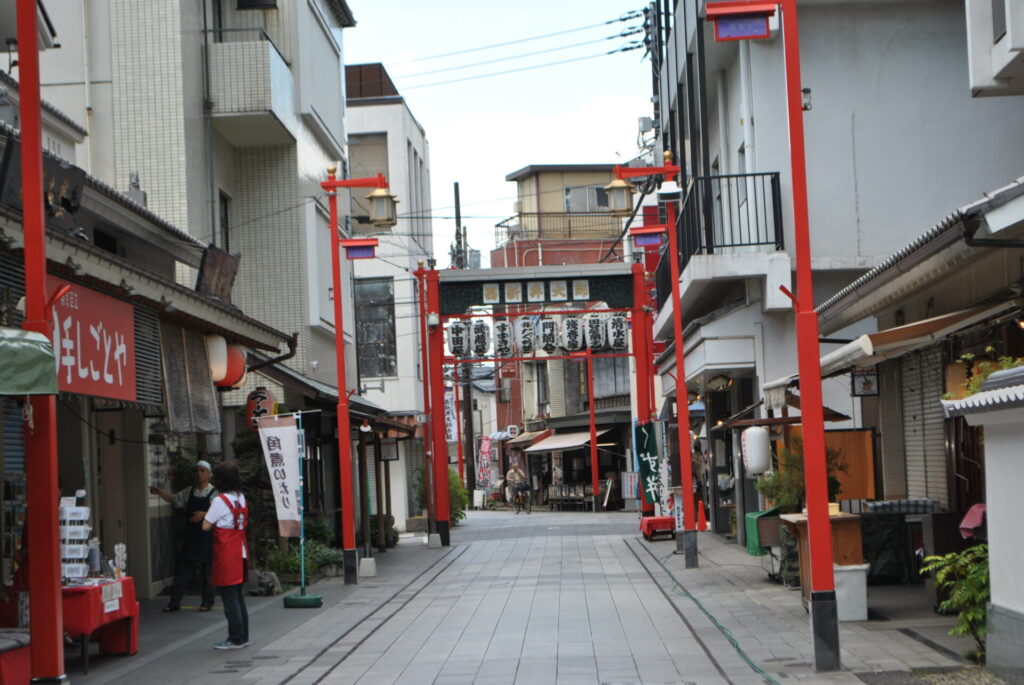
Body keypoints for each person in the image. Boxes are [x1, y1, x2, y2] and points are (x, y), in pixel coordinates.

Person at [150, 461, 216, 612]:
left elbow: (220, 514)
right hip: (191, 536)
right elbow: (175, 499)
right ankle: (174, 602)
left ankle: (207, 602)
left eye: (202, 470)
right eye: (197, 471)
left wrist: (204, 514)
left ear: (209, 474)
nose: (199, 473)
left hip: (206, 537)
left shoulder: (214, 493)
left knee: (207, 572)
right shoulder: (190, 491)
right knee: (182, 570)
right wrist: (160, 492)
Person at [203, 462, 249, 650]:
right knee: (238, 595)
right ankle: (244, 636)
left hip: (226, 551)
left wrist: (206, 516)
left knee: (229, 596)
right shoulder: (241, 498)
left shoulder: (220, 500)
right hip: (241, 548)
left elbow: (206, 525)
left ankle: (235, 638)